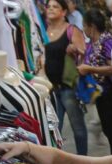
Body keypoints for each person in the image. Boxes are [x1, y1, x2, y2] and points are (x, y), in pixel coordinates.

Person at [43, 0, 89, 155]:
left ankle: (83, 161)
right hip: (49, 88)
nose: (50, 9)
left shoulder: (71, 30)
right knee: (54, 128)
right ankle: (56, 162)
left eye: (55, 6)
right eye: (49, 6)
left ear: (63, 12)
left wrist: (75, 50)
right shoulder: (42, 30)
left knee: (78, 128)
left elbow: (85, 53)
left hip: (68, 87)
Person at [79, 8, 112, 153]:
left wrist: (90, 69)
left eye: (84, 25)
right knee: (108, 129)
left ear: (92, 26)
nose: (83, 29)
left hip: (111, 94)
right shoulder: (91, 43)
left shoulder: (107, 42)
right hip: (100, 94)